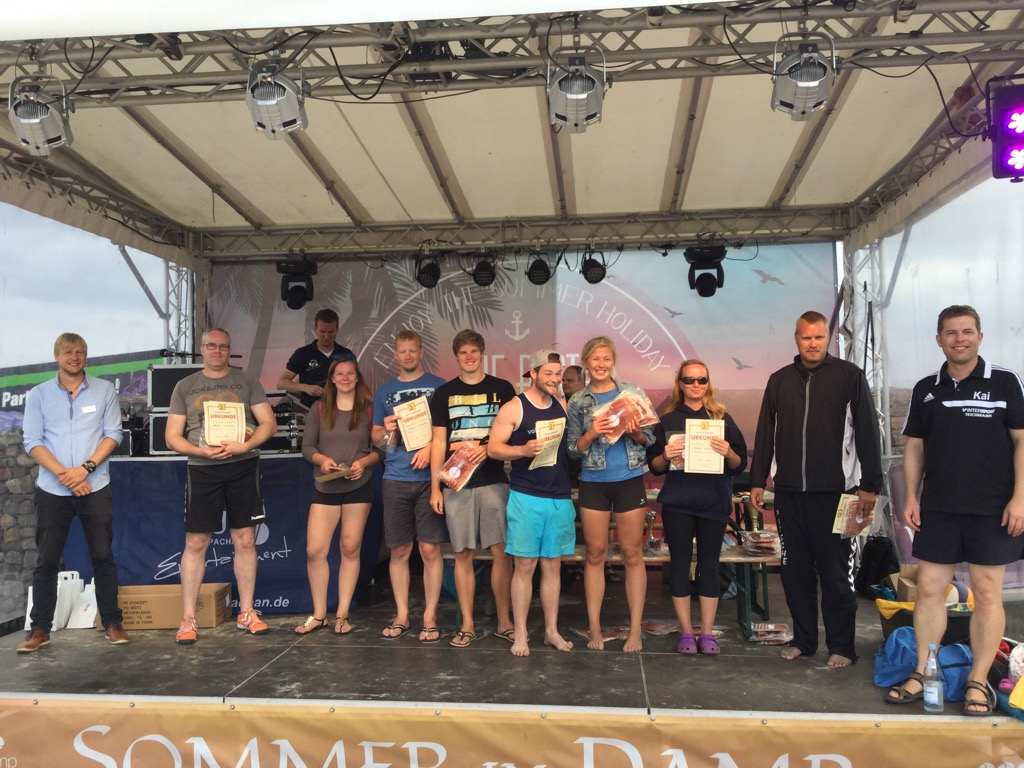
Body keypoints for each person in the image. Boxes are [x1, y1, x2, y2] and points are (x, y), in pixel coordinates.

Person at [887, 305, 1024, 715]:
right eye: (951, 332)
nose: (959, 339)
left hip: (993, 509)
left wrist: (1020, 498)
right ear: (939, 339)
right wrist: (911, 497)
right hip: (940, 508)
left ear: (980, 336)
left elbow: (1022, 441)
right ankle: (923, 672)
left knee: (986, 592)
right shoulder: (926, 388)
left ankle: (978, 681)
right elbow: (915, 446)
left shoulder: (1005, 381)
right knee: (930, 589)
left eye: (967, 331)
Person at [750, 310, 882, 667]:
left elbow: (868, 431)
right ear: (796, 339)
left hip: (837, 495)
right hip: (789, 494)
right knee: (795, 574)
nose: (812, 343)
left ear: (828, 338)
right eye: (806, 337)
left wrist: (870, 485)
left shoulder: (849, 377)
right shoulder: (779, 380)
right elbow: (765, 433)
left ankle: (842, 647)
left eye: (819, 337)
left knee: (836, 576)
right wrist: (758, 479)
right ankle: (804, 641)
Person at [165, 328, 278, 645]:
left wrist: (247, 445)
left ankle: (247, 612)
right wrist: (198, 451)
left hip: (244, 465)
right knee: (196, 542)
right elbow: (171, 436)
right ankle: (188, 618)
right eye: (212, 346)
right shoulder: (185, 386)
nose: (217, 351)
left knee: (245, 539)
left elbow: (269, 423)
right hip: (202, 469)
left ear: (230, 350)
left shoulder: (248, 381)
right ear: (202, 349)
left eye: (223, 346)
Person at [18, 333, 128, 652]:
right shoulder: (38, 394)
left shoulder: (104, 390)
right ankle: (40, 629)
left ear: (86, 356)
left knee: (103, 557)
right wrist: (66, 476)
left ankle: (112, 623)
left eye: (80, 352)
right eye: (68, 352)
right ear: (57, 356)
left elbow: (113, 434)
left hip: (94, 485)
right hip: (52, 489)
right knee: (47, 560)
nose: (75, 357)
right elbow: (32, 441)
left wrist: (85, 469)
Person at [647, 360, 747, 655]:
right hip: (678, 503)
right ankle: (686, 632)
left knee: (709, 566)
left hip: (713, 502)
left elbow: (739, 464)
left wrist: (728, 452)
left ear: (708, 383)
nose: (695, 385)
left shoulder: (722, 418)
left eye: (701, 380)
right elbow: (654, 466)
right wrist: (666, 455)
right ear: (680, 383)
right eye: (689, 379)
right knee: (679, 566)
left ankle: (707, 633)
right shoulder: (666, 421)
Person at [567, 336, 656, 652]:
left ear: (613, 361)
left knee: (632, 553)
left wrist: (637, 433)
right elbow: (573, 450)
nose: (601, 364)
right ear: (586, 363)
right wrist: (592, 433)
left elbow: (650, 439)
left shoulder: (632, 393)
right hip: (593, 482)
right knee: (595, 553)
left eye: (606, 358)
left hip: (629, 479)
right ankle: (594, 628)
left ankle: (635, 631)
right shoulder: (577, 401)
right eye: (595, 359)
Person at [429, 329, 516, 648]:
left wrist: (486, 447)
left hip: (494, 480)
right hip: (456, 484)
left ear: (482, 354)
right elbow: (438, 442)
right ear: (456, 356)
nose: (469, 357)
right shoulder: (444, 393)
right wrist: (435, 487)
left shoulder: (503, 389)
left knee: (500, 552)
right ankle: (467, 624)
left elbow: (511, 434)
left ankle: (504, 621)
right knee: (462, 554)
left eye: (474, 351)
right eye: (463, 352)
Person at [488, 349, 576, 656]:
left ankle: (551, 631)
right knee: (524, 566)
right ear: (533, 373)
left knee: (553, 566)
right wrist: (522, 450)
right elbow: (493, 449)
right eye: (548, 373)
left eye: (558, 374)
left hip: (559, 497)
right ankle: (521, 634)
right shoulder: (514, 407)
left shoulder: (562, 405)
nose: (554, 379)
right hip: (526, 496)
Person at [371, 331, 448, 643]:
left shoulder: (439, 386)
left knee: (429, 549)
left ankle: (430, 616)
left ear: (421, 352)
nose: (407, 356)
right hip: (395, 477)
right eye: (402, 351)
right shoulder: (384, 391)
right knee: (400, 549)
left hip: (430, 479)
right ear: (395, 354)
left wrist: (430, 448)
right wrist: (384, 430)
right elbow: (375, 436)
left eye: (412, 350)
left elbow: (448, 430)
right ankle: (402, 614)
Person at [296, 357, 381, 636]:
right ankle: (319, 614)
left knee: (350, 548)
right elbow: (307, 446)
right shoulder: (319, 408)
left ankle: (342, 615)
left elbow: (381, 450)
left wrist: (363, 463)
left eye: (350, 373)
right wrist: (322, 460)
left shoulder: (369, 408)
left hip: (359, 486)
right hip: (326, 485)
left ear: (357, 378)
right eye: (340, 374)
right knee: (315, 550)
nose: (345, 378)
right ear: (332, 378)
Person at [276, 309, 355, 409]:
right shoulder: (302, 353)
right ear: (315, 328)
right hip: (310, 410)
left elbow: (356, 381)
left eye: (331, 332)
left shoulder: (346, 354)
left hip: (342, 409)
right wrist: (305, 388)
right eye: (322, 331)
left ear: (337, 329)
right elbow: (281, 383)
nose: (326, 336)